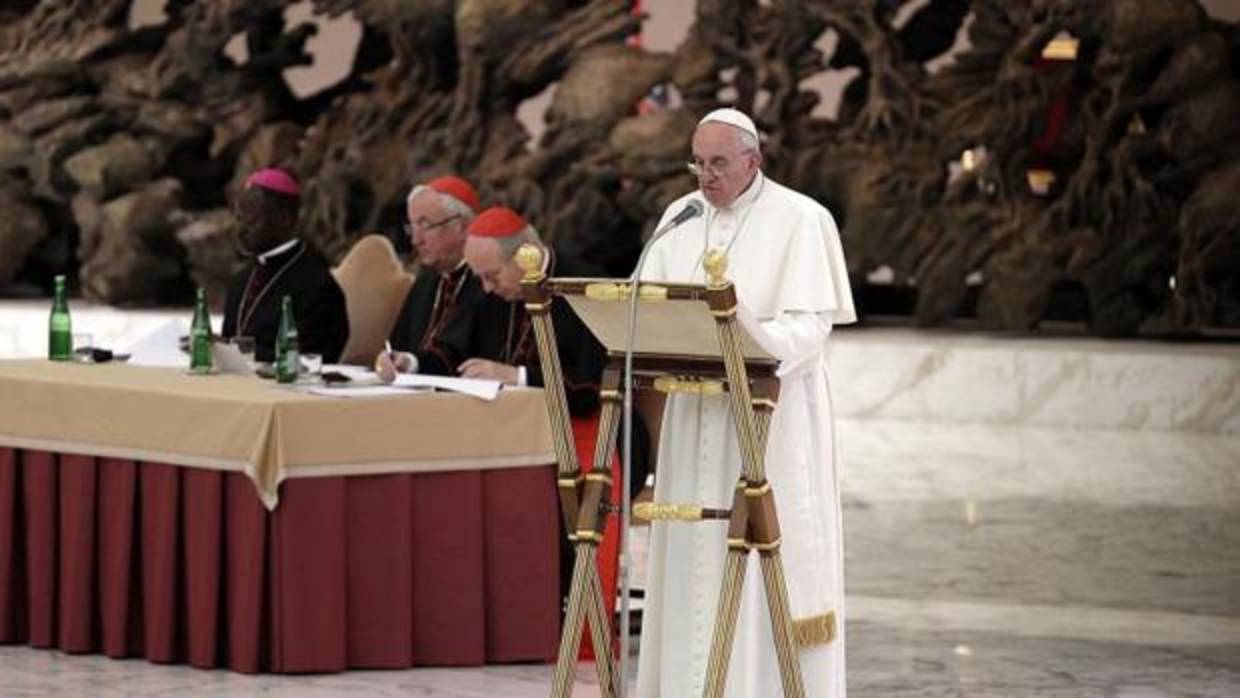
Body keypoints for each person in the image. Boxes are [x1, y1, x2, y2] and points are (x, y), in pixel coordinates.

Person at [635, 108, 856, 697]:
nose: (705, 177)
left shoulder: (801, 219)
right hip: (692, 412)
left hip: (767, 416)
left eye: (719, 164)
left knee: (764, 569)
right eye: (698, 163)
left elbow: (811, 328)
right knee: (691, 560)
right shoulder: (680, 218)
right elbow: (650, 306)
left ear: (753, 161)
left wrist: (745, 344)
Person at [458, 206, 606, 415]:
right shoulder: (492, 296)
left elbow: (591, 386)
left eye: (492, 275)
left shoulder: (584, 289)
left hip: (572, 426)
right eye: (479, 278)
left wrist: (517, 376)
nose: (486, 288)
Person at [222, 168, 349, 364]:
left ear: (284, 220)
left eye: (252, 220)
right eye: (239, 218)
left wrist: (240, 354)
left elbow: (314, 359)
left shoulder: (317, 285)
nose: (240, 230)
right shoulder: (240, 282)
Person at [377, 175, 488, 378]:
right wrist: (392, 359)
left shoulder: (487, 281)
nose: (415, 240)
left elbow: (458, 358)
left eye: (425, 225)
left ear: (462, 227)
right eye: (412, 227)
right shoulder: (427, 281)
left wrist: (411, 363)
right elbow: (398, 346)